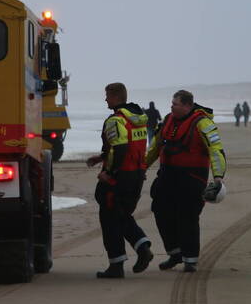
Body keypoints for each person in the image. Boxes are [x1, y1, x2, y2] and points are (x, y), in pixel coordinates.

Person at [146, 89, 226, 273]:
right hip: (167, 176)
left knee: (187, 217)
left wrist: (218, 176)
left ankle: (191, 259)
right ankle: (175, 254)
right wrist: (141, 167)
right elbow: (155, 147)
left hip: (192, 177)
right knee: (160, 211)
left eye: (175, 104)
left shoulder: (203, 123)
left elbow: (216, 149)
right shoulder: (167, 120)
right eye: (172, 103)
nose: (171, 106)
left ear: (187, 106)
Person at [86, 83, 154, 278]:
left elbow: (122, 148)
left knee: (110, 217)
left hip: (120, 176)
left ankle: (119, 263)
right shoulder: (138, 119)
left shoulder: (116, 120)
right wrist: (101, 157)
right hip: (137, 175)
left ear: (116, 97)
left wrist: (109, 172)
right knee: (121, 214)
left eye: (107, 95)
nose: (105, 99)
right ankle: (140, 249)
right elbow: (129, 146)